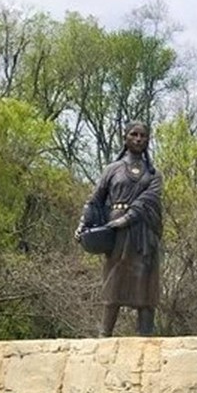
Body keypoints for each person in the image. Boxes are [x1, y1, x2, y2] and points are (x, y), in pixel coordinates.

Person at [75, 121, 164, 337]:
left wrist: (127, 219)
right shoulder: (112, 170)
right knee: (114, 280)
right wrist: (83, 223)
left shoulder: (154, 174)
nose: (139, 139)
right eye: (134, 134)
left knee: (145, 283)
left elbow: (149, 200)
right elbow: (95, 200)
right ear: (125, 137)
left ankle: (146, 336)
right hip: (116, 234)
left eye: (143, 135)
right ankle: (104, 335)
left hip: (143, 232)